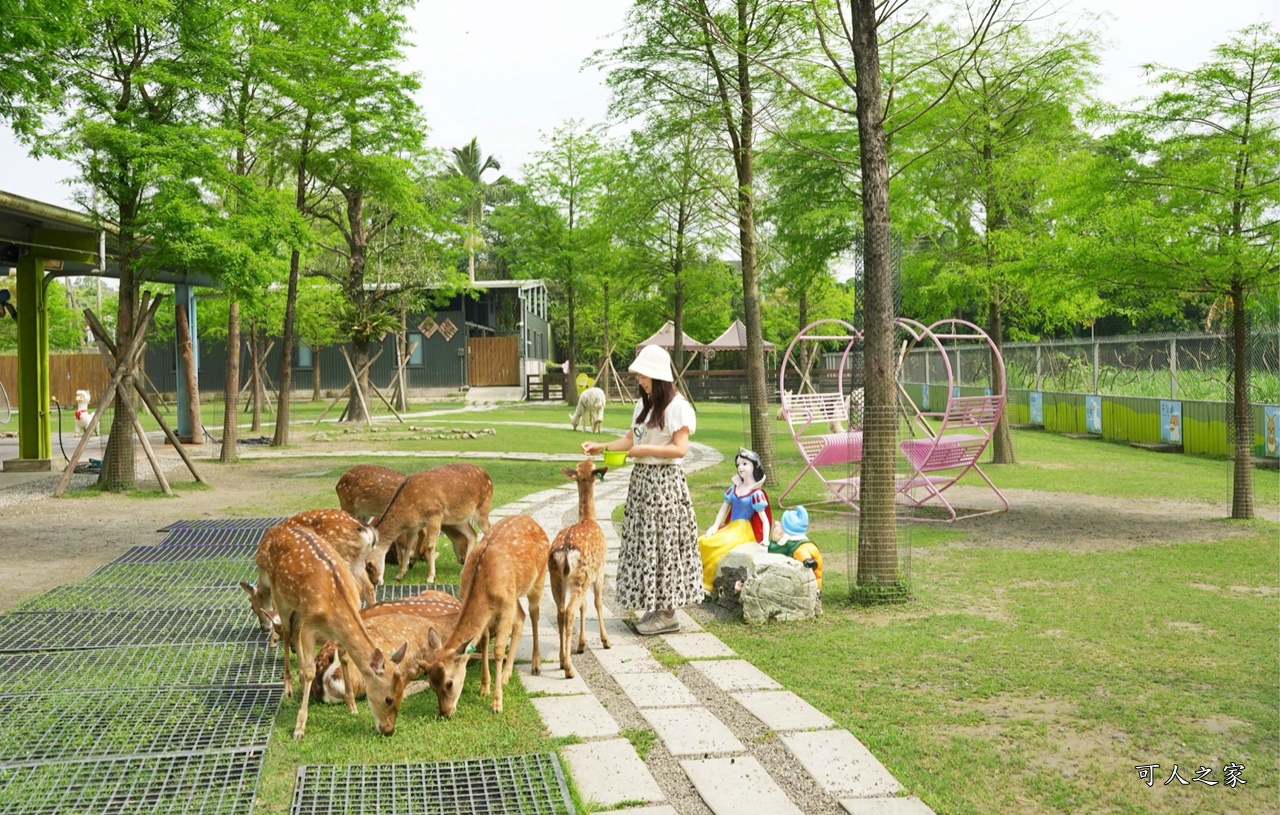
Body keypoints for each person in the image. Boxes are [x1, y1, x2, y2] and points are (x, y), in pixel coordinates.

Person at [580, 344, 701, 635]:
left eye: (644, 376)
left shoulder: (676, 407)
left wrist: (644, 449)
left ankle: (669, 612)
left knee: (665, 545)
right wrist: (601, 447)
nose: (641, 381)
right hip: (643, 484)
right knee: (647, 544)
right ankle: (656, 608)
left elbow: (679, 449)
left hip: (665, 485)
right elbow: (629, 438)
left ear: (658, 376)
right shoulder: (644, 405)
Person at [697, 449, 771, 592]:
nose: (740, 468)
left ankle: (707, 583)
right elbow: (723, 509)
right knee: (702, 541)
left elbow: (764, 519)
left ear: (754, 466)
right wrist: (714, 526)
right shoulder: (734, 489)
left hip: (742, 531)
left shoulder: (756, 493)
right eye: (738, 465)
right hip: (730, 527)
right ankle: (695, 577)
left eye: (745, 464)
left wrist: (765, 539)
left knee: (717, 546)